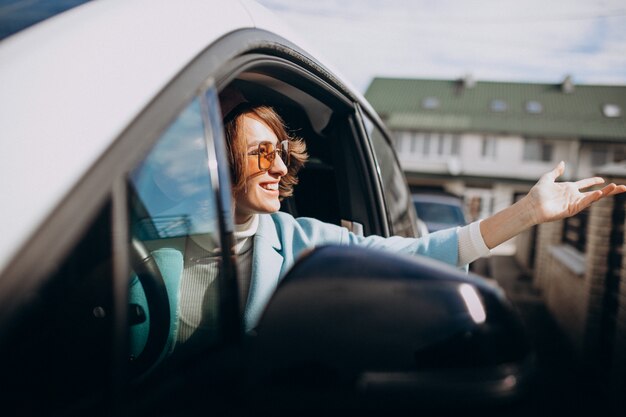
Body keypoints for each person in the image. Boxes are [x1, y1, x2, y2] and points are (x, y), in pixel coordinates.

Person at [222, 99, 626, 332]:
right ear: (218, 160)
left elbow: (414, 253)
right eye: (262, 152)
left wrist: (527, 212)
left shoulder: (304, 242)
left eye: (281, 152)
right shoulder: (159, 248)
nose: (278, 167)